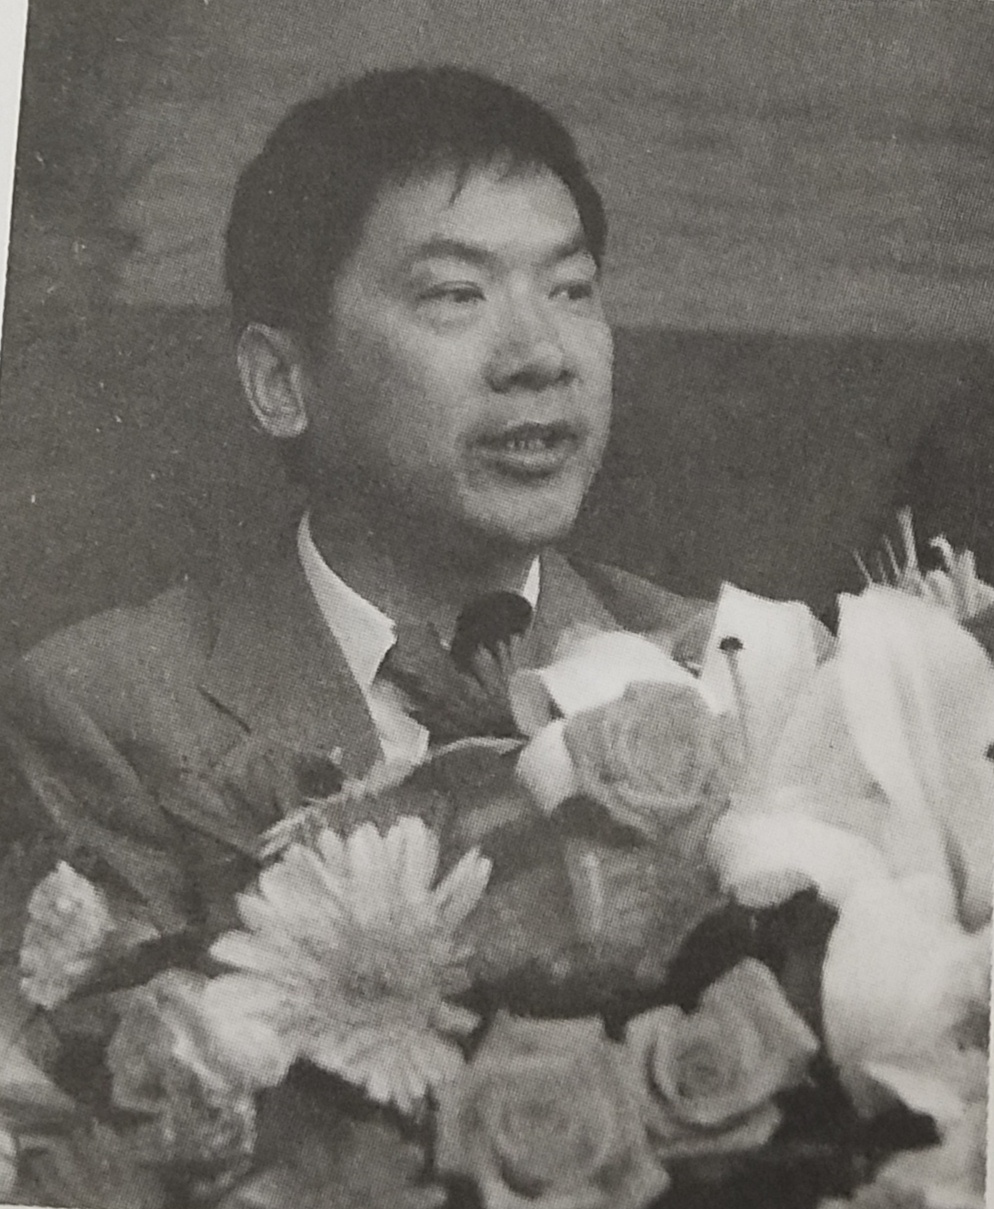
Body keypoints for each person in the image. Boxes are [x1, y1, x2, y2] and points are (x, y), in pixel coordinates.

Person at [0, 65, 710, 937]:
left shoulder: (714, 671)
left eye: (571, 290)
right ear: (281, 381)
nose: (542, 355)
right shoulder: (108, 711)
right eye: (456, 294)